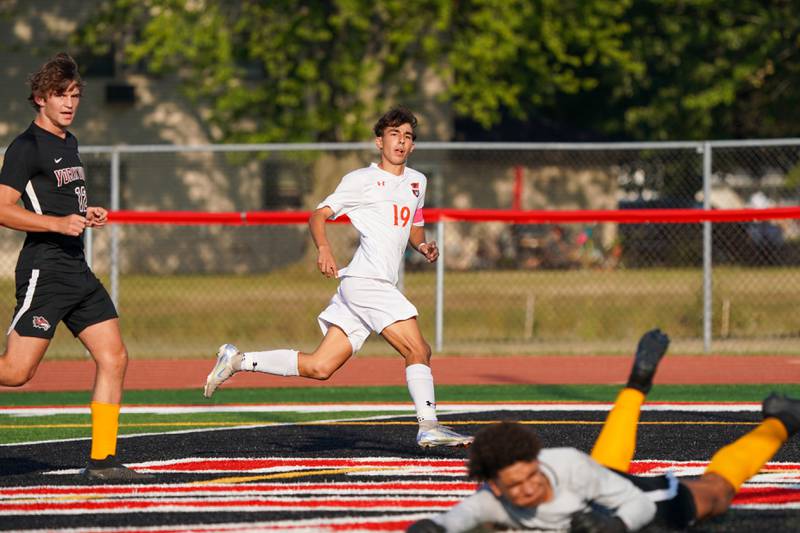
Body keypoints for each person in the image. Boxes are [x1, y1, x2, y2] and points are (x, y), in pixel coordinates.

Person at [204, 107, 473, 448]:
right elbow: (318, 216)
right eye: (394, 135)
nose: (401, 142)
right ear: (379, 141)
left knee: (320, 366)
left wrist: (422, 246)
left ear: (413, 145)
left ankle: (239, 360)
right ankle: (429, 426)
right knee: (418, 349)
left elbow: (413, 226)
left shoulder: (418, 181)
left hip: (365, 288)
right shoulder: (360, 180)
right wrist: (324, 248)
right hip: (366, 282)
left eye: (407, 136)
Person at [408, 328, 800, 532]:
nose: (529, 487)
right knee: (600, 468)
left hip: (630, 510)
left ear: (536, 460)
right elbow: (450, 521)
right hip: (596, 488)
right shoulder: (489, 501)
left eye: (531, 475)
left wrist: (614, 526)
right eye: (516, 486)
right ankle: (636, 385)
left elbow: (639, 506)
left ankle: (782, 421)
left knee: (717, 492)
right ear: (495, 487)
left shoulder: (562, 465)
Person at [0, 53, 149, 481]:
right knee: (15, 373)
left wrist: (88, 212)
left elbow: (63, 200)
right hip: (45, 269)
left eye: (74, 95)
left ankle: (103, 461)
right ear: (39, 99)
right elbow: (4, 209)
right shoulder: (25, 147)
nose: (69, 103)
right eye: (60, 95)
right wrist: (56, 223)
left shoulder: (70, 142)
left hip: (76, 269)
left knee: (114, 356)